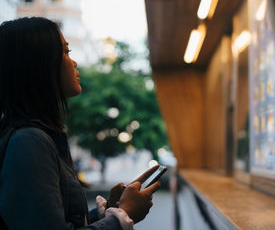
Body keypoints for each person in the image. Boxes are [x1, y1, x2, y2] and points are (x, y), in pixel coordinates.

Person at [0, 17, 161, 229]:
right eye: (66, 52)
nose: (73, 62)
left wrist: (111, 208)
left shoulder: (38, 137)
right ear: (39, 65)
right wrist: (123, 215)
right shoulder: (29, 142)